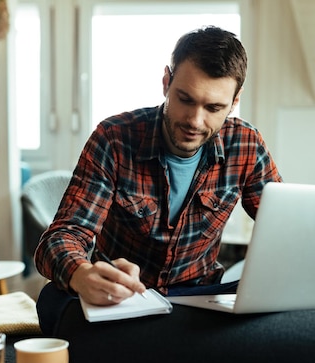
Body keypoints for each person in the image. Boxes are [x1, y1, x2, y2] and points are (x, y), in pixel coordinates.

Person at [34, 25, 283, 334]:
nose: (195, 120)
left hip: (198, 303)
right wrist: (81, 274)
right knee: (52, 301)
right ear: (166, 82)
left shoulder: (245, 145)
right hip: (122, 302)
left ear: (234, 102)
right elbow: (59, 239)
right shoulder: (114, 138)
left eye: (214, 108)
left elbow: (286, 231)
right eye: (185, 99)